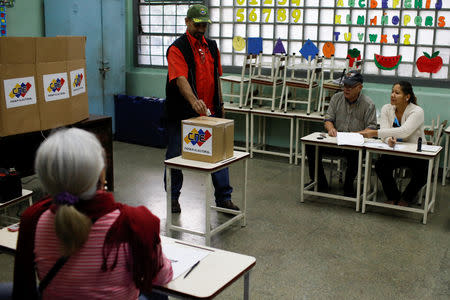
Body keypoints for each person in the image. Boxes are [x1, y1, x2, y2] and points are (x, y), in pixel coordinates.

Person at [10, 128, 172, 300]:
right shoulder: (133, 222)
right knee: (157, 293)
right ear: (100, 173)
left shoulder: (33, 220)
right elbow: (162, 277)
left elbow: (23, 290)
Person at [164, 4, 239, 213]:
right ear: (187, 22)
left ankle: (224, 198)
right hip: (182, 112)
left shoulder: (212, 47)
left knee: (220, 154)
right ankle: (172, 197)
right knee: (175, 154)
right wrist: (194, 100)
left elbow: (216, 78)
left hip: (210, 112)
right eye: (197, 24)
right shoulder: (177, 48)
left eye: (204, 24)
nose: (201, 28)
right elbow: (180, 79)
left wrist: (221, 104)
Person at [305, 70, 377, 196]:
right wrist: (331, 128)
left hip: (356, 144)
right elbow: (328, 119)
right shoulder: (336, 98)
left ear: (360, 87)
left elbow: (371, 129)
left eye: (351, 86)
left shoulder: (368, 104)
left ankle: (348, 186)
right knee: (311, 146)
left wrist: (354, 135)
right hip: (336, 141)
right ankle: (320, 182)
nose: (346, 89)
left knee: (356, 154)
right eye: (345, 86)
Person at [359, 81, 427, 206]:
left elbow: (404, 131)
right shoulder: (386, 108)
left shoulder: (417, 111)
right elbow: (385, 130)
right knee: (380, 165)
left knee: (423, 172)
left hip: (415, 152)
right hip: (396, 150)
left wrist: (374, 133)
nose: (392, 95)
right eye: (392, 92)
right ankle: (393, 195)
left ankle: (406, 198)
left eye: (397, 93)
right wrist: (388, 139)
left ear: (407, 97)